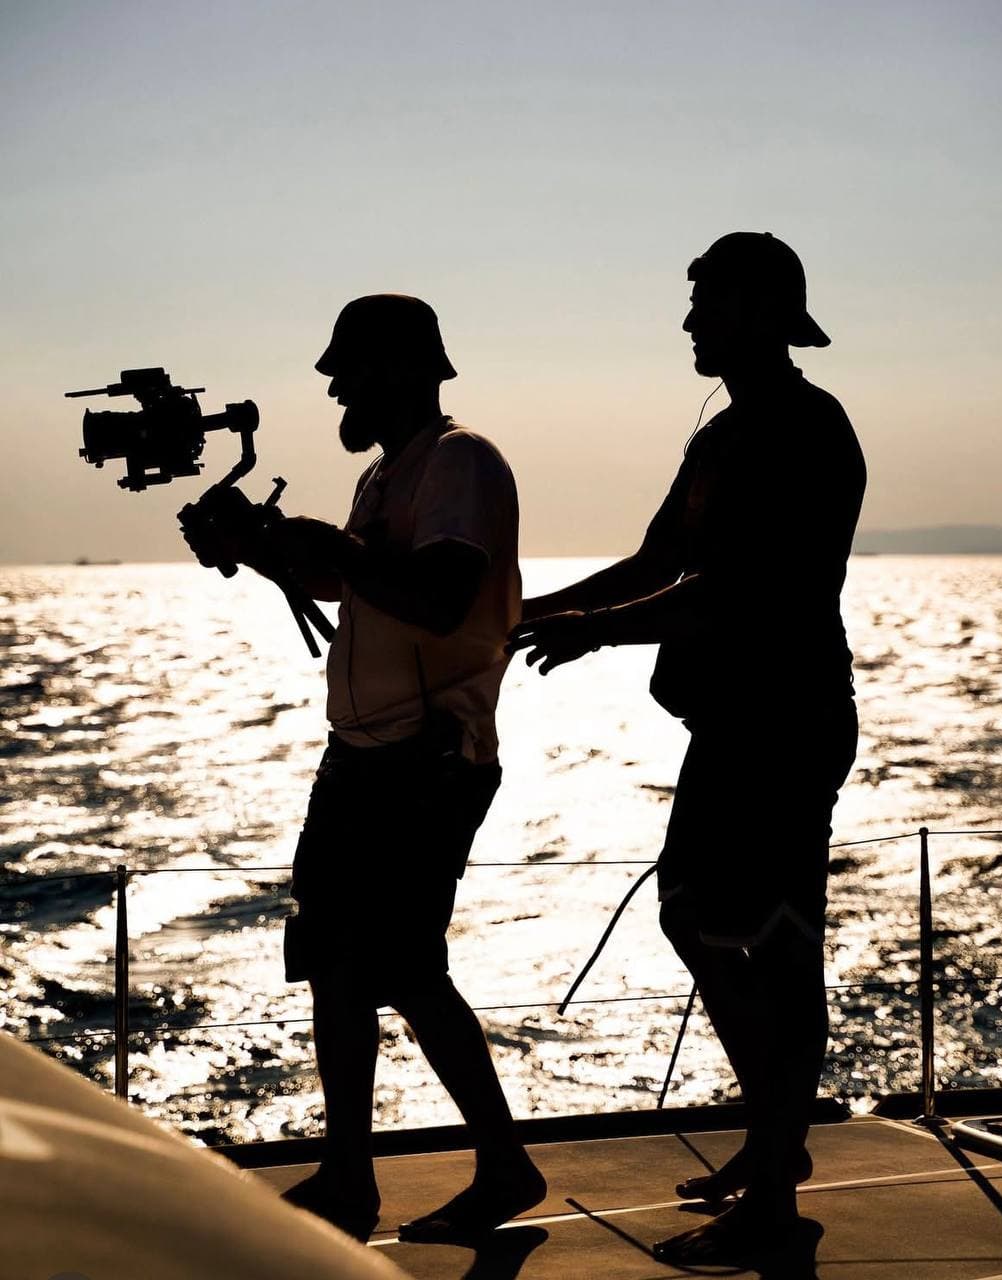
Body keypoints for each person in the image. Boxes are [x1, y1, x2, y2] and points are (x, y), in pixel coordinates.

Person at [508, 233, 865, 1266]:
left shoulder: (806, 428)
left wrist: (593, 629)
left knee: (773, 938)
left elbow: (732, 587)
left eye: (704, 302)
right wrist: (529, 609)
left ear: (759, 309)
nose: (688, 323)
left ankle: (774, 1185)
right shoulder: (720, 437)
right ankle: (772, 1144)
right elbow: (657, 559)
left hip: (788, 720)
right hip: (731, 720)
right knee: (705, 916)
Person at [195, 294, 545, 1242]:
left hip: (430, 757)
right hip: (362, 756)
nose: (332, 383)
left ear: (399, 369)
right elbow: (352, 582)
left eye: (348, 366)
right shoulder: (390, 475)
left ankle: (504, 1168)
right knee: (338, 968)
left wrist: (329, 550)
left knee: (404, 965)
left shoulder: (459, 461)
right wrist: (260, 546)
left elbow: (437, 599)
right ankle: (351, 1180)